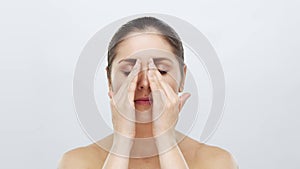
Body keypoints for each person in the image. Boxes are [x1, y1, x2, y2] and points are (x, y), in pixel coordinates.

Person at [58, 16, 238, 169]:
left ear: (182, 78)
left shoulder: (217, 162)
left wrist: (165, 139)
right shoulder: (77, 162)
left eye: (160, 70)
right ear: (109, 80)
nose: (144, 83)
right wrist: (122, 143)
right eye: (129, 71)